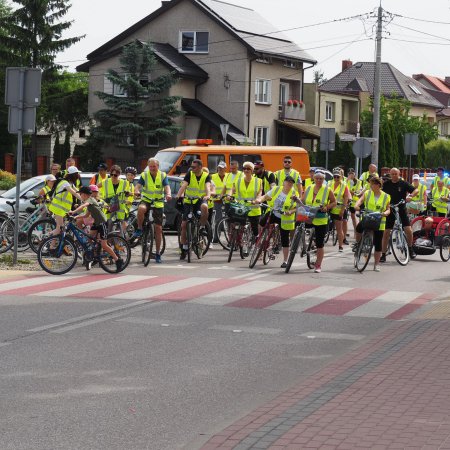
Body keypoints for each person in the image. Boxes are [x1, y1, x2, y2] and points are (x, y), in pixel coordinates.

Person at [69, 186, 124, 271]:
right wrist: (76, 217)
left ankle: (118, 260)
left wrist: (73, 211)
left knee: (104, 244)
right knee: (89, 237)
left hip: (102, 223)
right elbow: (86, 215)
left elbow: (83, 206)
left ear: (84, 194)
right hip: (97, 223)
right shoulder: (89, 203)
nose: (80, 195)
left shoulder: (90, 200)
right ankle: (94, 252)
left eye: (80, 194)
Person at [133, 158, 171, 263]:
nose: (152, 168)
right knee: (141, 209)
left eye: (154, 166)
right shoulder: (144, 175)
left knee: (158, 228)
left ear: (158, 166)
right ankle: (140, 228)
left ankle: (158, 253)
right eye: (150, 166)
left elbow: (167, 187)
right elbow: (137, 186)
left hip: (158, 202)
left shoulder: (162, 175)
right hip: (146, 200)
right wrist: (136, 191)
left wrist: (168, 194)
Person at [299, 170, 337, 273]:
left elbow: (334, 202)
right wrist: (296, 201)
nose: (319, 180)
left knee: (320, 243)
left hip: (320, 218)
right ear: (314, 179)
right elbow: (302, 201)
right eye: (317, 178)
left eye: (321, 179)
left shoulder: (327, 190)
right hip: (308, 216)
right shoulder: (309, 188)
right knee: (299, 228)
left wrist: (327, 207)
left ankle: (318, 265)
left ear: (324, 180)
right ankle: (306, 245)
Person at [256, 176, 296, 268]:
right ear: (284, 182)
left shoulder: (294, 193)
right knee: (262, 223)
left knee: (285, 238)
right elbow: (265, 196)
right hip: (274, 212)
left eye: (291, 183)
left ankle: (285, 260)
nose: (289, 184)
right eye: (288, 182)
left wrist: (290, 211)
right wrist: (259, 200)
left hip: (284, 218)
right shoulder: (277, 189)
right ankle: (262, 240)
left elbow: (297, 206)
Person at [380, 167, 418, 262]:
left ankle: (410, 248)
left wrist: (411, 196)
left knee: (408, 230)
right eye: (392, 174)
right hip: (390, 209)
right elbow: (380, 193)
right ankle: (383, 254)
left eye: (395, 174)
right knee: (386, 232)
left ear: (399, 174)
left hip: (401, 208)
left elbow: (415, 190)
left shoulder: (403, 183)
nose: (393, 176)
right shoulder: (386, 184)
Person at [354, 177, 391, 272]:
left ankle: (376, 264)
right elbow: (361, 200)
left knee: (378, 244)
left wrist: (385, 213)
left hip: (379, 222)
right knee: (358, 228)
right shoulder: (367, 193)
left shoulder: (386, 196)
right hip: (368, 218)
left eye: (372, 184)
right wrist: (356, 205)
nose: (370, 186)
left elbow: (388, 209)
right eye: (370, 184)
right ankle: (358, 244)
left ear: (378, 185)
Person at [177, 158, 211, 260]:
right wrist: (179, 195)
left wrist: (208, 195)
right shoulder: (189, 174)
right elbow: (184, 186)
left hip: (200, 200)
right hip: (188, 201)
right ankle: (184, 248)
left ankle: (202, 227)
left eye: (194, 167)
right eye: (191, 167)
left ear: (200, 167)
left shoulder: (206, 175)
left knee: (205, 207)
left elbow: (207, 187)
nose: (192, 168)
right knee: (184, 225)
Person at [230, 161, 262, 238]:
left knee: (255, 231)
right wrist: (230, 196)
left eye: (248, 169)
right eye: (244, 168)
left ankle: (254, 243)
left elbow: (260, 192)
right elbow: (232, 190)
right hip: (241, 208)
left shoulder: (258, 181)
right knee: (237, 227)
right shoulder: (238, 180)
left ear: (252, 170)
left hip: (253, 209)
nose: (246, 170)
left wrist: (257, 199)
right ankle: (236, 242)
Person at [48, 166, 83, 236]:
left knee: (59, 229)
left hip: (62, 209)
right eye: (77, 174)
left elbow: (78, 192)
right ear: (73, 175)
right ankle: (46, 238)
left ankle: (52, 246)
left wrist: (88, 197)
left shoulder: (70, 183)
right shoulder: (65, 183)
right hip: (58, 208)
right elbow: (74, 193)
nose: (78, 176)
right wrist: (84, 200)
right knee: (59, 229)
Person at [329, 168, 351, 251]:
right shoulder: (329, 183)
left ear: (341, 177)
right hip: (329, 207)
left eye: (338, 177)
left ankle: (340, 245)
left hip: (338, 209)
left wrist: (343, 209)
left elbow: (345, 198)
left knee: (339, 228)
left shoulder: (344, 186)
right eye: (334, 177)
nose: (336, 178)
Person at [211, 161, 228, 241]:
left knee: (228, 219)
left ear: (225, 168)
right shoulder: (213, 176)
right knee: (217, 220)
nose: (220, 169)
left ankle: (229, 238)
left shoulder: (228, 176)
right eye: (219, 168)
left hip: (227, 201)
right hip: (217, 201)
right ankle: (216, 237)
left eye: (222, 168)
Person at [346, 168, 363, 238]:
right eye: (349, 173)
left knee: (353, 217)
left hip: (354, 201)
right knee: (345, 218)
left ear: (354, 174)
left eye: (352, 173)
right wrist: (347, 180)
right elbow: (344, 188)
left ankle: (356, 232)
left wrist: (352, 192)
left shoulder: (358, 182)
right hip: (347, 200)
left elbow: (358, 191)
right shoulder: (346, 181)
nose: (351, 175)